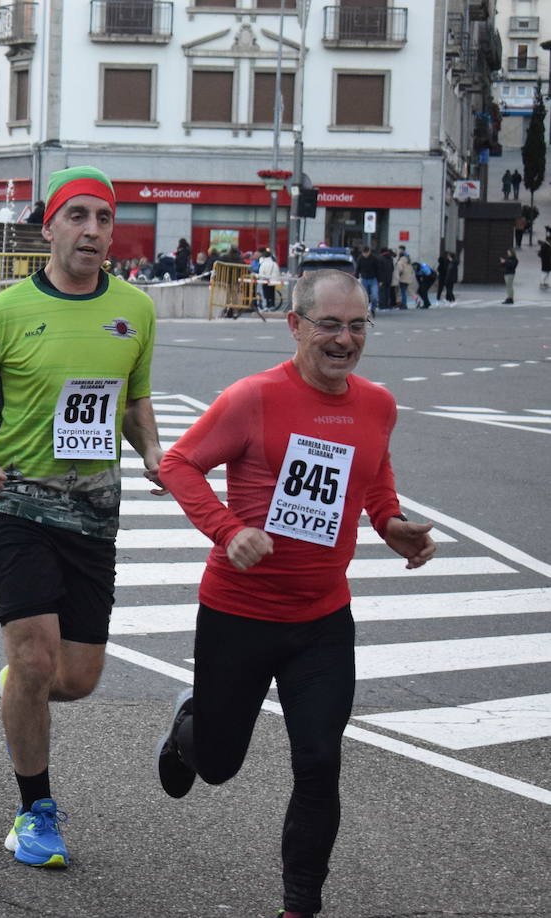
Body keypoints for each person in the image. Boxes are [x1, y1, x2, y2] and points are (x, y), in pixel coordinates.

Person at [154, 268, 437, 918]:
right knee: (219, 764)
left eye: (357, 325)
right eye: (329, 325)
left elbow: (373, 477)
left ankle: (300, 906)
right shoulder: (253, 398)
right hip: (238, 614)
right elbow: (178, 464)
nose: (344, 339)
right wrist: (229, 531)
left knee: (319, 761)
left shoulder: (377, 404)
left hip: (321, 620)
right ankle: (186, 729)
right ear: (295, 326)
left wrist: (390, 524)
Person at [0, 165, 163, 870]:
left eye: (103, 219)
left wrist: (157, 452)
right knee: (35, 655)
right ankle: (34, 810)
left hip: (94, 510)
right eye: (78, 217)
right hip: (18, 501)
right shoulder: (7, 311)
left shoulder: (136, 309)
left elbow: (132, 400)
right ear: (49, 227)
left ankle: (22, 686)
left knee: (75, 678)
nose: (93, 232)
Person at [256, 247, 282, 311]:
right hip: (273, 280)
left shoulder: (263, 263)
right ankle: (272, 305)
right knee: (272, 293)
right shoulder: (274, 263)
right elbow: (277, 272)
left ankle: (267, 305)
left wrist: (259, 278)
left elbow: (261, 273)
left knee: (266, 293)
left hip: (265, 280)